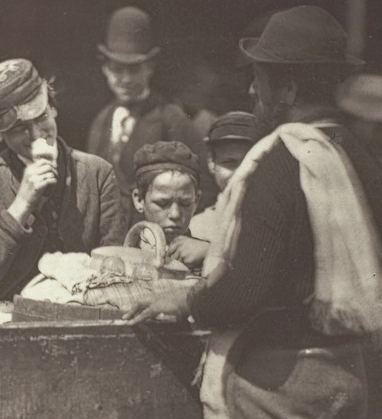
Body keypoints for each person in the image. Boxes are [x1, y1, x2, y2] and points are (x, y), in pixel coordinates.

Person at [124, 6, 382, 419]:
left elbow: (243, 292)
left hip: (280, 388)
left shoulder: (278, 162)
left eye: (261, 77)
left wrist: (184, 301)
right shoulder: (362, 161)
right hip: (346, 374)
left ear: (286, 88)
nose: (252, 89)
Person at [0, 58, 126, 301]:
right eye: (19, 128)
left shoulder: (97, 174)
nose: (36, 134)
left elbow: (118, 272)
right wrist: (20, 207)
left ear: (53, 107)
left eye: (41, 117)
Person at [86, 6, 216, 220]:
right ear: (105, 68)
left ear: (150, 66)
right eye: (117, 69)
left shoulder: (171, 118)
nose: (126, 79)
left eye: (134, 69)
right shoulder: (100, 122)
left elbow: (205, 190)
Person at [132, 141, 206, 272]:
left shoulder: (206, 257)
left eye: (185, 203)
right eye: (162, 203)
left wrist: (209, 253)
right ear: (139, 200)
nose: (175, 214)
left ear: (196, 201)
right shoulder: (126, 253)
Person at [189, 111, 262, 242]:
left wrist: (207, 251)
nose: (241, 173)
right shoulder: (197, 227)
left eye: (250, 163)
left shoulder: (274, 220)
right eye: (230, 163)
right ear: (211, 162)